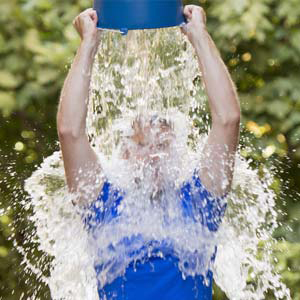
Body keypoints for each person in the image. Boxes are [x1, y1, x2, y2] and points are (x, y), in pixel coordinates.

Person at [56, 5, 240, 300]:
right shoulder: (101, 205)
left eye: (162, 145)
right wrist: (88, 44)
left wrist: (199, 37)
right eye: (141, 145)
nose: (153, 154)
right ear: (124, 155)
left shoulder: (201, 201)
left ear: (179, 151)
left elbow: (228, 119)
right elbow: (70, 132)